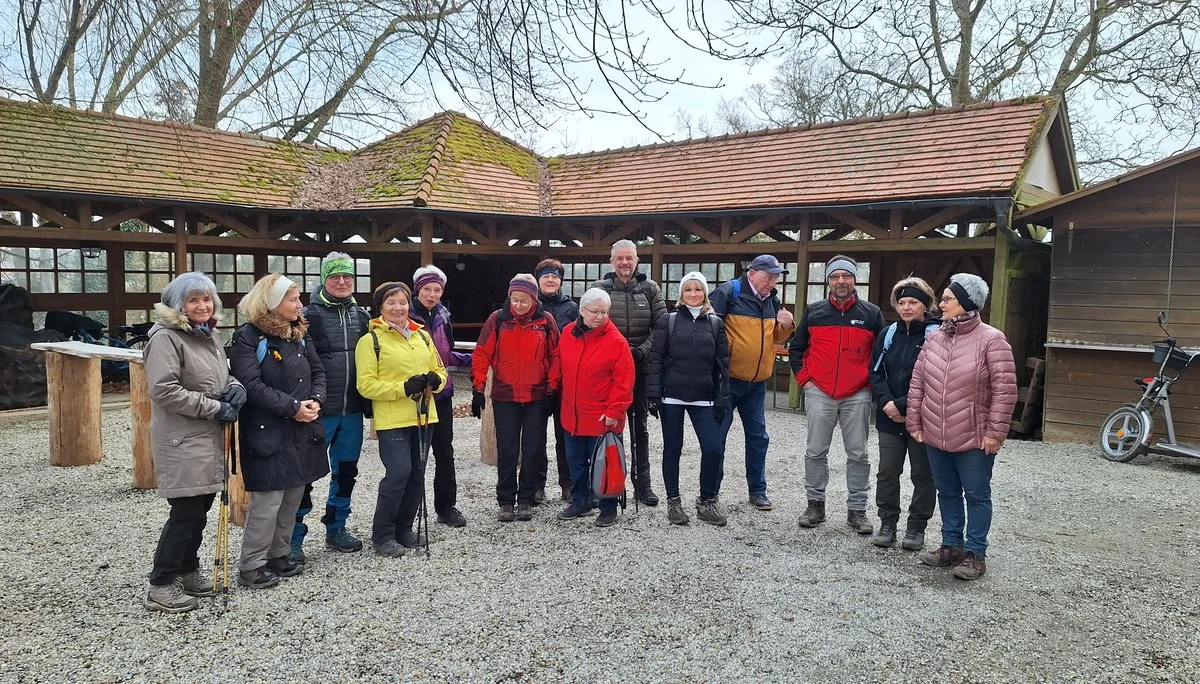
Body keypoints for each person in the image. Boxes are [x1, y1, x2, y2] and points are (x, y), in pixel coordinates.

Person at [142, 272, 245, 613]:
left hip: (206, 437)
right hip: (183, 438)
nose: (202, 305)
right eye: (193, 300)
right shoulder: (166, 339)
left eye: (206, 299)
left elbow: (221, 375)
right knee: (185, 512)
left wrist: (236, 388)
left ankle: (186, 571)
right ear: (178, 305)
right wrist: (216, 407)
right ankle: (161, 583)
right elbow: (164, 390)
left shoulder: (208, 335)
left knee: (199, 510)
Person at [907, 273, 1017, 581]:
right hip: (935, 434)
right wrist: (915, 421)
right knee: (947, 491)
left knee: (977, 494)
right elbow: (917, 384)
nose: (940, 304)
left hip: (974, 436)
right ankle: (951, 545)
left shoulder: (992, 340)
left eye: (947, 299)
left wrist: (995, 432)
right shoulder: (934, 338)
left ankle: (975, 553)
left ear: (966, 303)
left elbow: (1005, 390)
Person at [229, 274, 328, 588]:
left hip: (302, 428)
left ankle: (278, 554)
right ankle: (251, 565)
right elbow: (251, 384)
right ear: (272, 303)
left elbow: (318, 371)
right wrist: (293, 407)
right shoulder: (248, 337)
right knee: (268, 499)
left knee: (293, 495)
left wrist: (316, 401)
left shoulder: (299, 332)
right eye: (293, 299)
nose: (300, 305)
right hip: (267, 429)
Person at [790, 255, 884, 534]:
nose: (840, 281)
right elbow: (797, 349)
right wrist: (805, 381)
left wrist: (869, 386)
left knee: (858, 453)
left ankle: (857, 510)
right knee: (815, 450)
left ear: (855, 279)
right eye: (835, 276)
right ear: (828, 280)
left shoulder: (871, 313)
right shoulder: (815, 311)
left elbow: (880, 355)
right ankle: (815, 504)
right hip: (820, 391)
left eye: (846, 276)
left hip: (857, 393)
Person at [356, 281, 448, 558]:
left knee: (417, 476)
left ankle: (404, 529)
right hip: (393, 419)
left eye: (403, 302)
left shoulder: (421, 336)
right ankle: (382, 534)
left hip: (423, 416)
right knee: (398, 474)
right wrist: (402, 388)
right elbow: (366, 385)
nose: (398, 308)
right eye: (391, 303)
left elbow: (440, 370)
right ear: (381, 307)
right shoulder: (370, 341)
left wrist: (437, 381)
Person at [290, 252, 369, 562]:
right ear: (324, 278)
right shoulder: (307, 316)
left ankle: (337, 527)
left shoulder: (361, 316)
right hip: (318, 410)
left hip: (352, 408)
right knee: (305, 475)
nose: (341, 281)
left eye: (347, 276)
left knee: (346, 471)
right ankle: (294, 537)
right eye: (334, 276)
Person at [472, 274, 561, 522]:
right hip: (505, 395)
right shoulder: (498, 319)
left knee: (533, 449)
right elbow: (482, 353)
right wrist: (478, 388)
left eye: (524, 300)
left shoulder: (546, 321)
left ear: (534, 299)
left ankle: (526, 499)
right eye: (514, 299)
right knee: (508, 450)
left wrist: (552, 386)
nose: (518, 305)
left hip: (537, 395)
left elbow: (556, 355)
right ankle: (505, 500)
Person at [709, 254, 795, 511]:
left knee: (759, 437)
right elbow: (708, 331)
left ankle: (757, 491)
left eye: (776, 277)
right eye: (769, 277)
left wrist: (787, 327)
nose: (773, 282)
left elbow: (773, 337)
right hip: (727, 382)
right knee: (717, 438)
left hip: (757, 383)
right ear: (753, 273)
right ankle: (710, 492)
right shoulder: (728, 293)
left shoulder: (772, 299)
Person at [647, 272, 731, 526]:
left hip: (703, 396)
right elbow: (656, 358)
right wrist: (653, 393)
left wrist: (722, 397)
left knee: (714, 449)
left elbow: (723, 364)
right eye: (688, 290)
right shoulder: (668, 321)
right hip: (672, 395)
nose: (693, 294)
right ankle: (674, 502)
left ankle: (706, 501)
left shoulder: (716, 324)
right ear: (681, 294)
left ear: (705, 294)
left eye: (698, 290)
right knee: (673, 449)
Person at [590, 239, 665, 506]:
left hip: (641, 368)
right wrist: (618, 353)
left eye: (629, 258)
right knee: (610, 426)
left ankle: (642, 485)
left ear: (637, 261)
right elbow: (592, 323)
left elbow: (661, 325)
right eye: (619, 258)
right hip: (609, 372)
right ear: (611, 262)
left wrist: (642, 350)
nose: (624, 263)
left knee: (639, 428)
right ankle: (612, 482)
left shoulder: (649, 288)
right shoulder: (600, 288)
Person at [868, 277, 939, 550]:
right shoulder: (888, 334)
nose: (907, 307)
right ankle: (887, 522)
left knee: (923, 474)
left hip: (922, 416)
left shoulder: (935, 336)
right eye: (902, 302)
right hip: (889, 417)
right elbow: (875, 371)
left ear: (925, 305)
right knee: (887, 471)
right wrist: (887, 402)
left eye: (913, 302)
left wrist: (903, 405)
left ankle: (916, 527)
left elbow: (935, 378)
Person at [557, 288, 635, 528]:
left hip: (602, 415)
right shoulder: (568, 333)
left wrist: (614, 411)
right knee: (575, 461)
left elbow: (624, 381)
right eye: (595, 312)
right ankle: (580, 500)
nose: (600, 316)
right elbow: (559, 366)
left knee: (606, 463)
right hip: (573, 413)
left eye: (604, 312)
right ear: (582, 311)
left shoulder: (616, 341)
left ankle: (608, 506)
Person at [409, 264, 471, 528]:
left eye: (437, 289)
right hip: (414, 394)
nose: (432, 294)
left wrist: (470, 359)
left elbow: (444, 352)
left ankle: (446, 506)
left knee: (444, 452)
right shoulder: (406, 315)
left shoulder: (444, 315)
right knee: (414, 455)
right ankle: (408, 510)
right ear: (417, 290)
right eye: (426, 289)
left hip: (442, 392)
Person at [534, 258, 579, 502]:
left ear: (560, 280)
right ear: (538, 280)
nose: (550, 280)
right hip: (537, 382)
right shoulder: (530, 306)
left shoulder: (571, 308)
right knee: (535, 436)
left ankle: (568, 483)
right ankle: (537, 483)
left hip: (565, 381)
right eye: (545, 277)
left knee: (566, 436)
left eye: (554, 277)